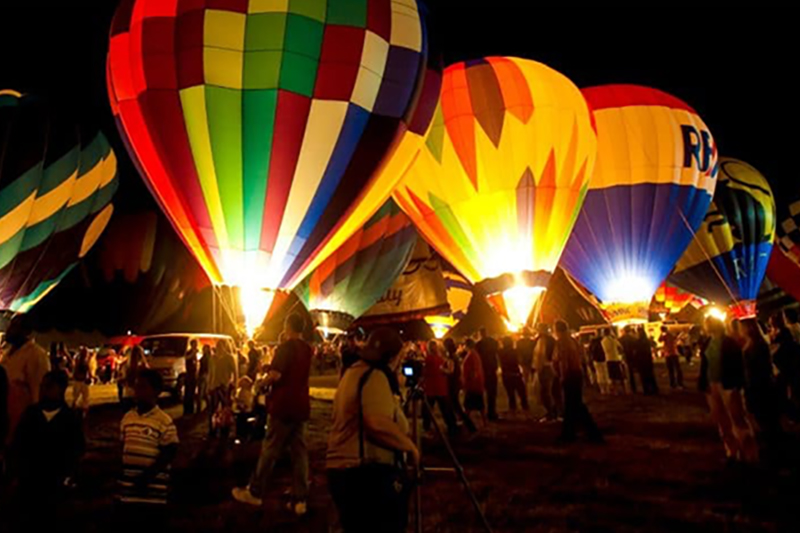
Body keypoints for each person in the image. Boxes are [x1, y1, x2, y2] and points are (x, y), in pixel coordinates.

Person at [327, 328, 418, 533]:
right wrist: (410, 447)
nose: (400, 364)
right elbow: (377, 423)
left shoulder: (354, 372)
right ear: (391, 356)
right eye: (399, 358)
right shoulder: (374, 376)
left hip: (346, 471)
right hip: (365, 475)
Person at [232, 313, 312, 517]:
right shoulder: (308, 349)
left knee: (270, 448)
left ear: (288, 326)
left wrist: (259, 384)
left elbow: (277, 375)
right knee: (299, 452)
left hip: (283, 405)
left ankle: (255, 492)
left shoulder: (285, 348)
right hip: (301, 405)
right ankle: (300, 499)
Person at [10, 370, 85, 527]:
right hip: (29, 483)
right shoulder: (31, 414)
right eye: (42, 386)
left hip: (54, 485)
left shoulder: (69, 419)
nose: (44, 390)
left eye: (49, 386)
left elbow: (76, 449)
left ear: (61, 389)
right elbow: (18, 443)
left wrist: (68, 475)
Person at [117, 369, 179, 528]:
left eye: (143, 387)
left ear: (156, 391)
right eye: (136, 387)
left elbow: (170, 451)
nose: (137, 391)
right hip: (128, 490)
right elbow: (123, 446)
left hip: (153, 492)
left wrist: (149, 475)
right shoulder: (128, 418)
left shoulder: (163, 421)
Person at [699, 317, 758, 464]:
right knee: (721, 419)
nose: (707, 326)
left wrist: (738, 383)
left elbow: (738, 365)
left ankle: (749, 452)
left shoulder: (729, 343)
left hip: (728, 384)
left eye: (709, 323)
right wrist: (703, 382)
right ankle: (731, 450)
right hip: (712, 385)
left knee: (737, 417)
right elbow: (704, 364)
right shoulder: (707, 342)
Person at [0, 316, 50, 443]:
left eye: (15, 326)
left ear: (26, 331)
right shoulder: (8, 354)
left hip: (22, 423)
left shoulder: (36, 355)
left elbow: (38, 391)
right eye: (11, 325)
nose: (10, 330)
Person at [552, 321, 602, 443]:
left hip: (570, 375)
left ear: (557, 330)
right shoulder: (573, 340)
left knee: (572, 405)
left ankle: (582, 433)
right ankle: (582, 432)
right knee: (574, 405)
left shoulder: (562, 342)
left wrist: (562, 376)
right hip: (577, 374)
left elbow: (564, 361)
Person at [740, 319, 782, 452]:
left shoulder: (755, 346)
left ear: (748, 329)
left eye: (742, 328)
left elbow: (757, 367)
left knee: (764, 415)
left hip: (758, 385)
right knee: (765, 416)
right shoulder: (756, 344)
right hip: (761, 384)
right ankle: (774, 443)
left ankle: (773, 446)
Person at [422, 341, 459, 437]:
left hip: (431, 389)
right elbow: (444, 370)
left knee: (427, 410)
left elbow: (425, 372)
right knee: (445, 410)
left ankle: (427, 428)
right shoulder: (439, 359)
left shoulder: (428, 359)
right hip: (441, 388)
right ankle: (452, 427)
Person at [769, 313, 800, 418]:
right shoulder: (780, 332)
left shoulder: (783, 333)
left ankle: (795, 415)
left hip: (788, 365)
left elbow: (783, 349)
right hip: (787, 365)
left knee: (792, 389)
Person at [444, 338, 476, 434]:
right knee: (454, 406)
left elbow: (451, 370)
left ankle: (469, 426)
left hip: (452, 384)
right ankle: (457, 426)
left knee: (455, 406)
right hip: (456, 383)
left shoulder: (450, 356)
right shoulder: (455, 356)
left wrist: (441, 369)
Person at [207, 341, 238, 438]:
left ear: (224, 346)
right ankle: (212, 429)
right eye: (218, 346)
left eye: (221, 346)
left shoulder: (229, 358)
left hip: (225, 386)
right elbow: (210, 372)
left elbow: (235, 373)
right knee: (213, 409)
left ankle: (225, 429)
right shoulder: (213, 358)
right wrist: (209, 385)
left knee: (225, 409)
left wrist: (235, 385)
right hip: (214, 386)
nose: (219, 347)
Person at [533, 323, 558, 421]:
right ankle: (554, 412)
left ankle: (551, 413)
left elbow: (540, 355)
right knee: (550, 391)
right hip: (549, 367)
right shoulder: (551, 340)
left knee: (545, 392)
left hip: (545, 368)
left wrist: (538, 367)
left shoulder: (543, 341)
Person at [499, 336, 528, 415]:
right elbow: (520, 360)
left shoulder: (501, 352)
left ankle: (513, 409)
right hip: (516, 375)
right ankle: (525, 409)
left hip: (506, 375)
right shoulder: (515, 351)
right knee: (522, 393)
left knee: (510, 394)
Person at [461, 339, 487, 429]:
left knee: (469, 405)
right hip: (475, 384)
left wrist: (470, 380)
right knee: (478, 405)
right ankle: (483, 422)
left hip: (473, 385)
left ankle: (466, 422)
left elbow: (474, 371)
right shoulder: (474, 354)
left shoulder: (472, 355)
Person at [476, 328, 500, 421]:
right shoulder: (493, 342)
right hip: (492, 369)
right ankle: (491, 412)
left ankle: (482, 411)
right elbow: (497, 352)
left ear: (480, 334)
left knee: (482, 392)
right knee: (492, 393)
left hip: (483, 370)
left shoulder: (478, 344)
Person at [602, 328, 626, 394]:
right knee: (619, 375)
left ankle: (615, 390)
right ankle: (622, 389)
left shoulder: (603, 341)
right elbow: (620, 347)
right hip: (616, 358)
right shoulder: (613, 340)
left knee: (612, 375)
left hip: (608, 359)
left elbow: (605, 350)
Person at [71, 347, 93, 417]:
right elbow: (88, 371)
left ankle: (75, 410)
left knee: (77, 397)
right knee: (85, 397)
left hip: (78, 380)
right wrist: (90, 376)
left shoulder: (78, 360)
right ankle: (83, 412)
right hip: (81, 380)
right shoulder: (83, 362)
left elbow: (75, 370)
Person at [636, 327, 659, 395]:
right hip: (648, 359)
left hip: (642, 360)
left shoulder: (638, 341)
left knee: (644, 376)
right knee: (650, 374)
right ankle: (654, 388)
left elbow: (637, 351)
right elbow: (654, 344)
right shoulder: (647, 340)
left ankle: (646, 389)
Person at [234, 376, 255, 443]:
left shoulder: (246, 393)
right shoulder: (242, 392)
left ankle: (241, 435)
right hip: (243, 410)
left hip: (245, 411)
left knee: (241, 420)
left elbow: (248, 403)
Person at [619, 326, 639, 393]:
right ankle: (634, 387)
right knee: (633, 371)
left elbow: (619, 348)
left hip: (625, 356)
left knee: (626, 372)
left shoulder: (621, 339)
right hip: (632, 356)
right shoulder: (633, 338)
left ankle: (628, 387)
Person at [184, 339, 199, 416]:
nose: (196, 346)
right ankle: (187, 410)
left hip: (193, 374)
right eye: (195, 344)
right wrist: (193, 353)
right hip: (189, 374)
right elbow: (187, 358)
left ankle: (191, 410)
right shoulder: (189, 352)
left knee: (192, 393)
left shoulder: (195, 354)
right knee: (188, 393)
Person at [197, 344, 212, 412]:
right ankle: (209, 405)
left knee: (201, 392)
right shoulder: (205, 357)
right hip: (202, 375)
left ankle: (199, 408)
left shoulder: (208, 357)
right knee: (203, 392)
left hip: (204, 375)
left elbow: (208, 367)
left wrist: (207, 376)